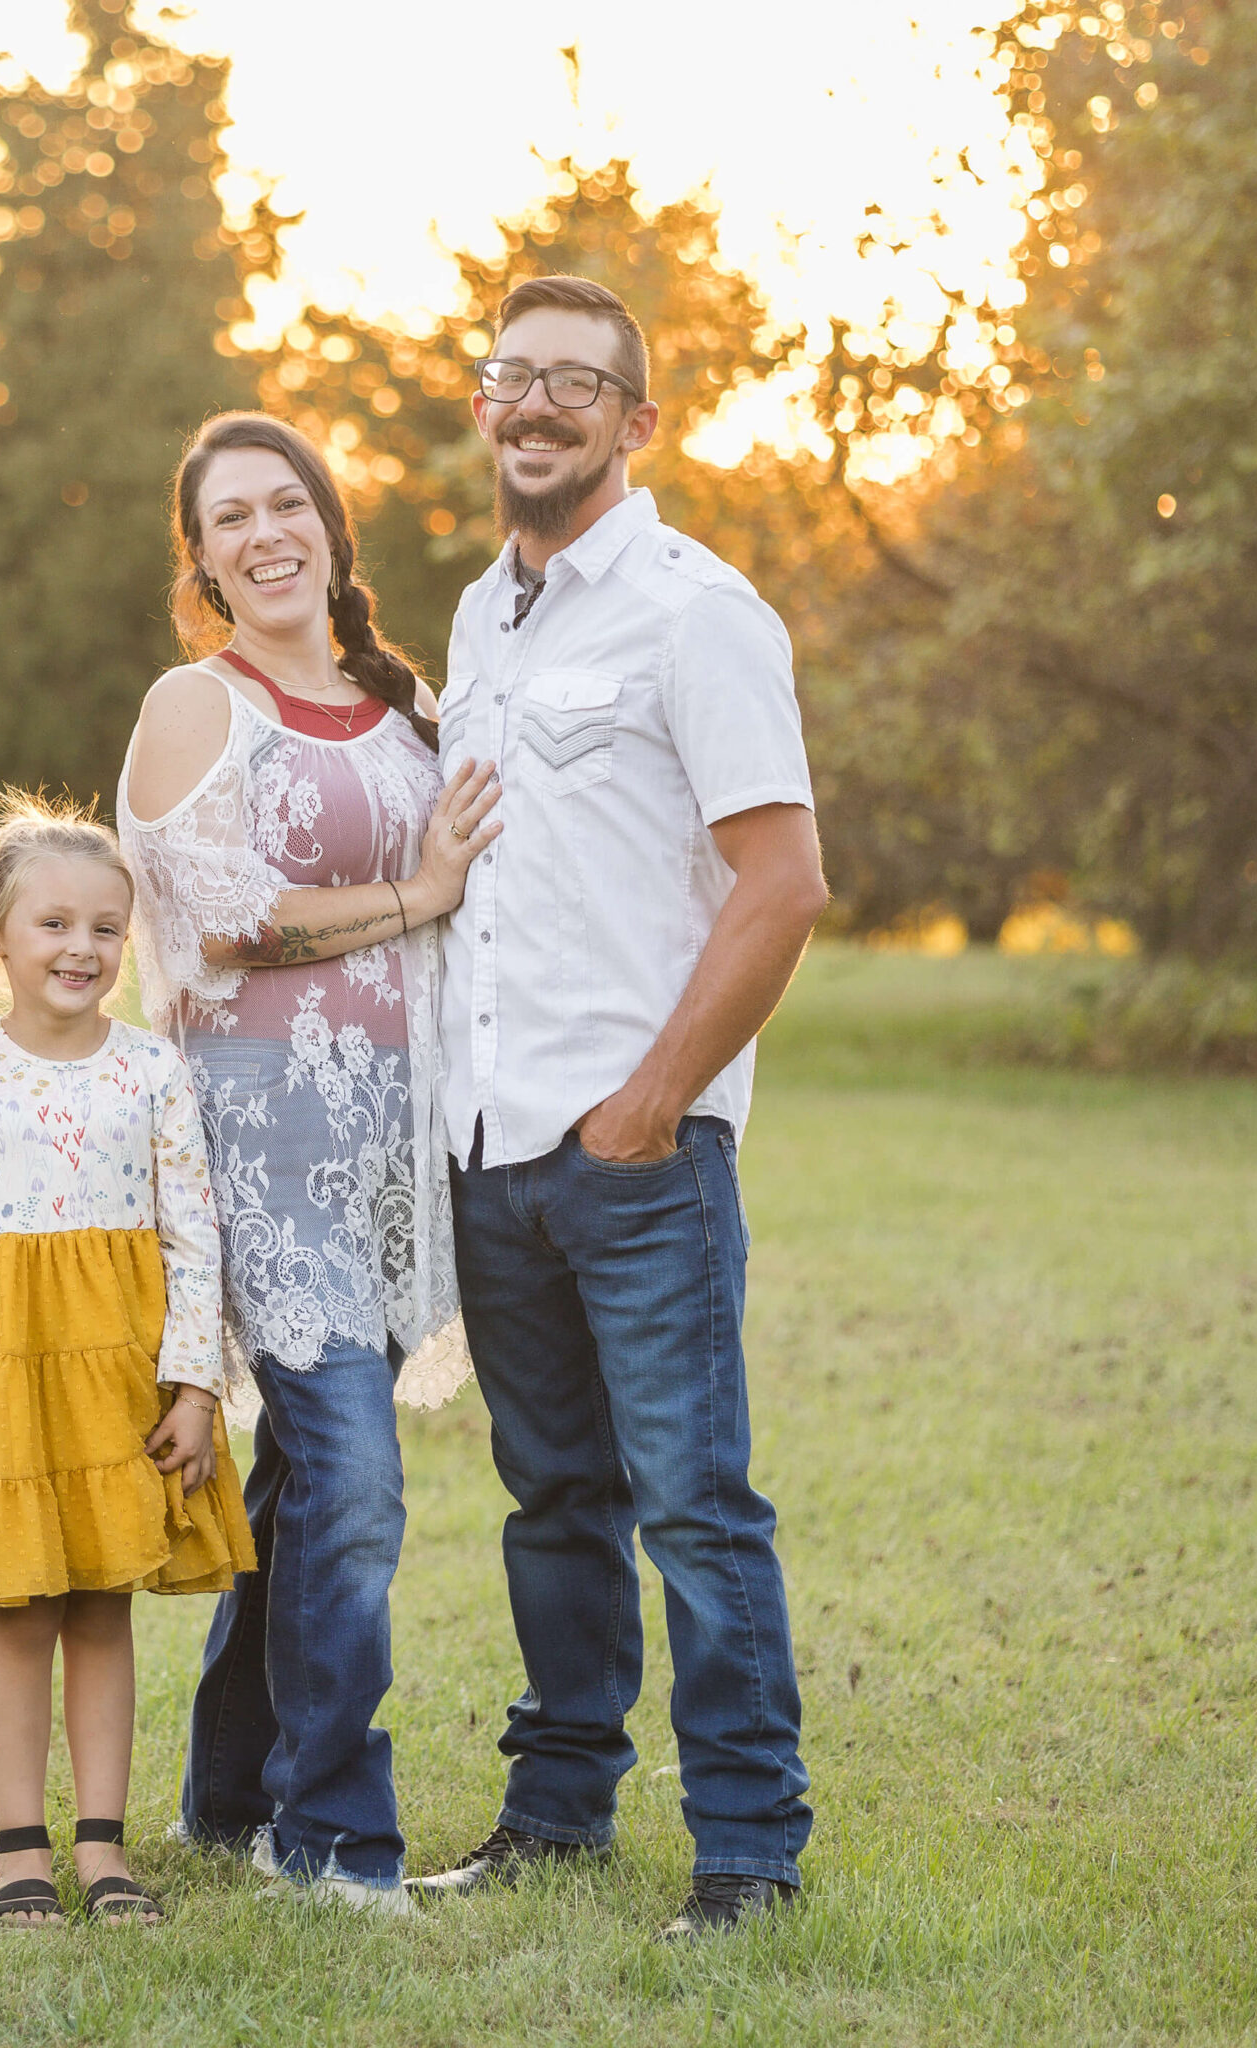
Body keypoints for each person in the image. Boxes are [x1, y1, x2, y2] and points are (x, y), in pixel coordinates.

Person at [411, 275, 830, 1939]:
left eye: (576, 384)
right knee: (554, 1502)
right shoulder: (476, 617)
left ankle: (748, 1851)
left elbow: (783, 880)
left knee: (696, 1504)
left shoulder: (693, 607)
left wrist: (654, 1101)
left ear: (637, 423)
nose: (535, 405)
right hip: (493, 1148)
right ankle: (558, 1811)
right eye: (511, 377)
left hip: (637, 1155)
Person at [118, 413, 502, 1913]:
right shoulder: (195, 703)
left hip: (397, 1146)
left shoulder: (402, 702)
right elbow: (223, 916)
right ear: (204, 560)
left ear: (334, 531)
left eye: (289, 504)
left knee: (298, 1482)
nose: (266, 534)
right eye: (231, 519)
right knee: (351, 1478)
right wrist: (416, 892)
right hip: (260, 1142)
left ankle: (227, 1797)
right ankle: (334, 1837)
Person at [0, 794, 256, 1929]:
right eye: (52, 923)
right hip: (6, 1375)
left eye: (104, 927)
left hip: (119, 1378)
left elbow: (196, 1236)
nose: (80, 948)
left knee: (101, 1603)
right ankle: (21, 1847)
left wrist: (194, 1386)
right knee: (22, 1604)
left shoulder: (151, 1071)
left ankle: (103, 1844)